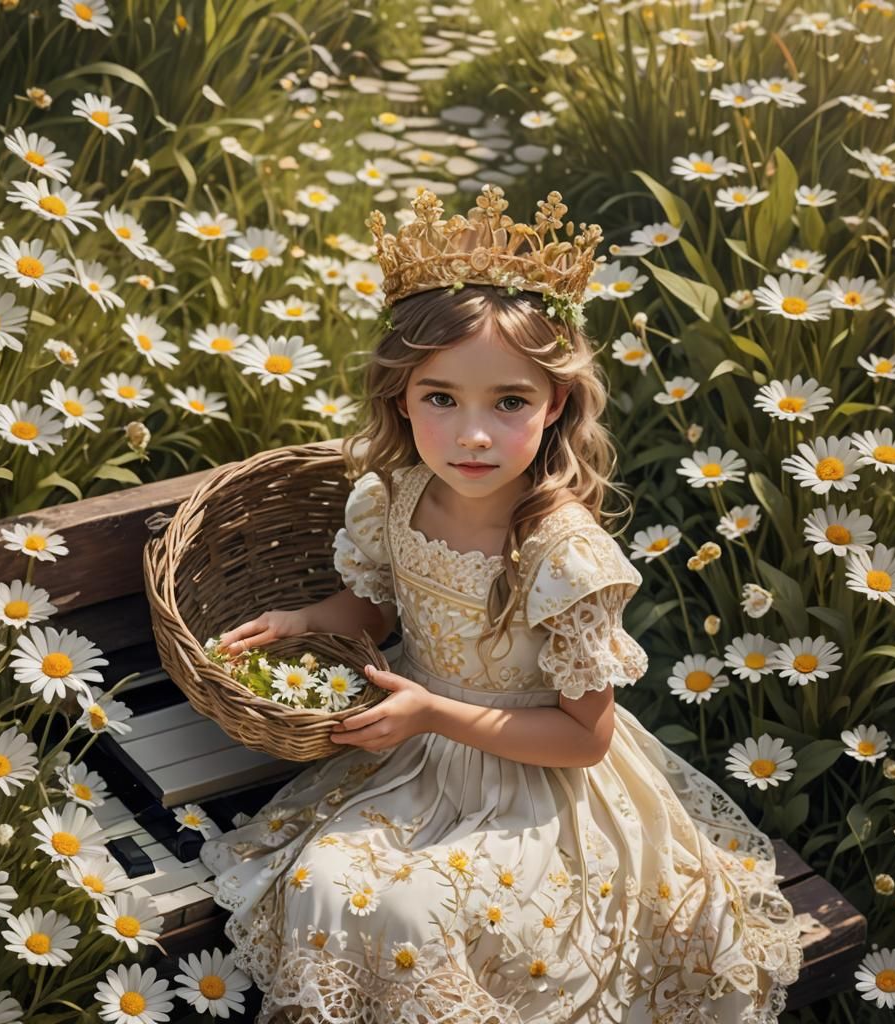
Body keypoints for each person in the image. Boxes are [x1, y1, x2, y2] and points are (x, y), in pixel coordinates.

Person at [199, 186, 804, 1024]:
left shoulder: (564, 556)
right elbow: (375, 610)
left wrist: (431, 713)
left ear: (556, 403)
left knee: (419, 916)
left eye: (508, 402)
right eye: (441, 398)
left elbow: (585, 739)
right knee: (327, 882)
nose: (473, 434)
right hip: (416, 762)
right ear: (401, 399)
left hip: (537, 787)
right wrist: (308, 622)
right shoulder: (393, 498)